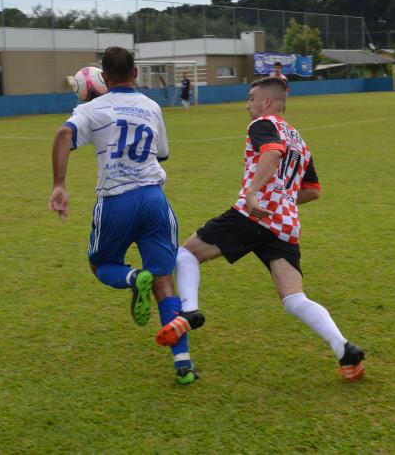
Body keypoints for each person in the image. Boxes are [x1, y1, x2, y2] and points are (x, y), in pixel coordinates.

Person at [157, 76, 366, 382]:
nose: (248, 104)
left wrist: (254, 192)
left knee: (185, 255)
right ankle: (345, 349)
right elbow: (313, 190)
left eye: (251, 98)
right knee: (294, 299)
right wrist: (281, 198)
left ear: (267, 102)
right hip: (285, 224)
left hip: (251, 215)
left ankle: (189, 312)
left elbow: (271, 153)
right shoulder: (299, 139)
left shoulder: (262, 124)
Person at [48, 47, 202, 385]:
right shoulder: (152, 106)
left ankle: (133, 279)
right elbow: (163, 154)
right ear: (135, 73)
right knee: (164, 277)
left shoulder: (91, 108)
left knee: (101, 266)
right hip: (154, 200)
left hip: (116, 201)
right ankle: (183, 362)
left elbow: (63, 135)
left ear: (103, 77)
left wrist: (59, 185)